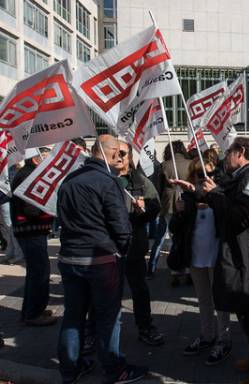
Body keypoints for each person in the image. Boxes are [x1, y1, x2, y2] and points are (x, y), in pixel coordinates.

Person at [173, 137, 249, 384]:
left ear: (240, 153)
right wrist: (194, 190)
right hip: (243, 254)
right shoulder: (242, 174)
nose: (225, 156)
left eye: (229, 151)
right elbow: (221, 196)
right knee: (248, 313)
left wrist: (215, 193)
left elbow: (240, 217)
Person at [57, 135, 147, 384]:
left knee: (73, 315)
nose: (120, 157)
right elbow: (121, 226)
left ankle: (70, 369)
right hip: (100, 258)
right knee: (109, 317)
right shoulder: (108, 182)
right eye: (118, 152)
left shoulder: (70, 179)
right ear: (106, 153)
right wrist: (121, 250)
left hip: (71, 257)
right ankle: (115, 369)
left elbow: (61, 218)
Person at [170, 154, 232, 365]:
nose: (204, 178)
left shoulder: (221, 196)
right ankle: (207, 335)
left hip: (217, 257)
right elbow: (175, 230)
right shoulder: (187, 199)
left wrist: (214, 196)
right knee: (204, 299)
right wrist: (178, 213)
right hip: (195, 257)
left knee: (220, 301)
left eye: (209, 173)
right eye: (199, 174)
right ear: (192, 176)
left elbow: (230, 222)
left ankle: (224, 340)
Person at [115, 141, 164, 345]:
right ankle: (94, 332)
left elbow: (155, 208)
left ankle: (145, 327)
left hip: (134, 244)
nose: (118, 157)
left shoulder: (141, 181)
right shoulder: (104, 180)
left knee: (140, 290)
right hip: (108, 248)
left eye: (122, 153)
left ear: (129, 157)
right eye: (114, 153)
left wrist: (143, 211)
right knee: (103, 293)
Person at [11, 147, 55, 326]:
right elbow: (31, 209)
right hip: (31, 231)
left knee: (35, 273)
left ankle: (31, 309)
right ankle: (34, 313)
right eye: (44, 157)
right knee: (40, 273)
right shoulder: (29, 176)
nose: (47, 160)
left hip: (31, 231)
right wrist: (51, 207)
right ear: (36, 159)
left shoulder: (27, 174)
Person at [147, 141, 191, 281]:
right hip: (187, 203)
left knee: (167, 237)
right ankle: (188, 269)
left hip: (168, 204)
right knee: (186, 236)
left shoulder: (164, 165)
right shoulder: (190, 163)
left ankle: (164, 269)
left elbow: (159, 187)